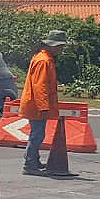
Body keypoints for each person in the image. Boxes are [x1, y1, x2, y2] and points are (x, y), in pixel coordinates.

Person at [19, 29, 70, 175]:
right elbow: (40, 85)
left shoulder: (43, 58)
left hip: (35, 103)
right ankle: (30, 163)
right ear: (52, 46)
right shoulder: (44, 60)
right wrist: (43, 106)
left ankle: (33, 160)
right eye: (60, 47)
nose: (61, 50)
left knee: (37, 133)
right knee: (37, 134)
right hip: (37, 105)